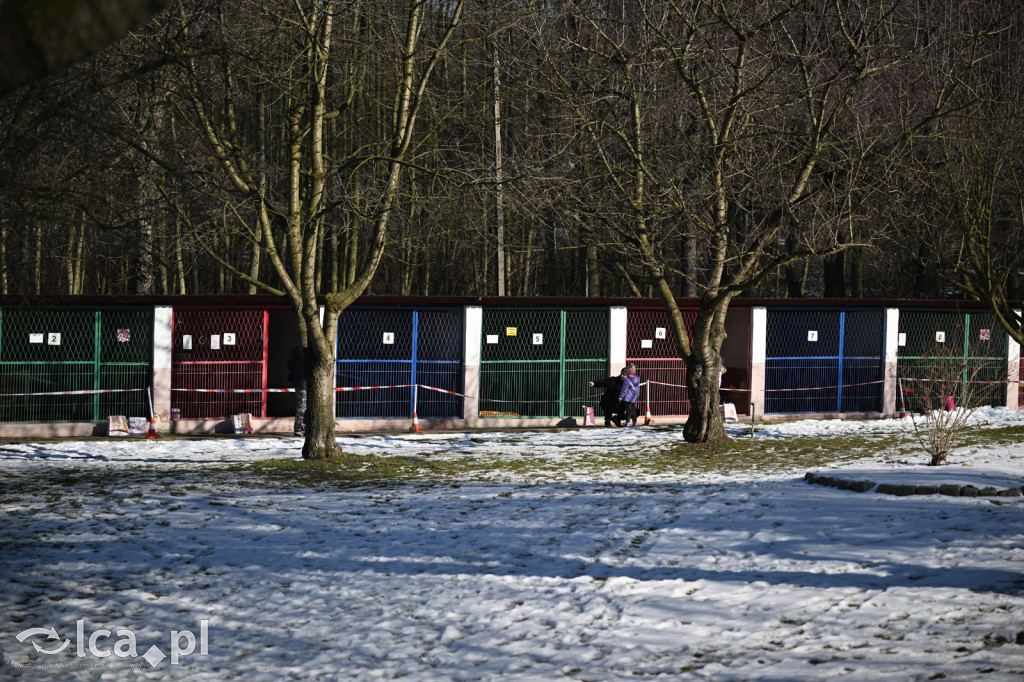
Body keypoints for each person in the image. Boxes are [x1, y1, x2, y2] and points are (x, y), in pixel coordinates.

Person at [288, 345, 306, 437]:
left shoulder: (295, 350)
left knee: (302, 407)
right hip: (303, 383)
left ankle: (301, 429)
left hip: (297, 382)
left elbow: (289, 366)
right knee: (302, 408)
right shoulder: (307, 352)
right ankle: (299, 430)